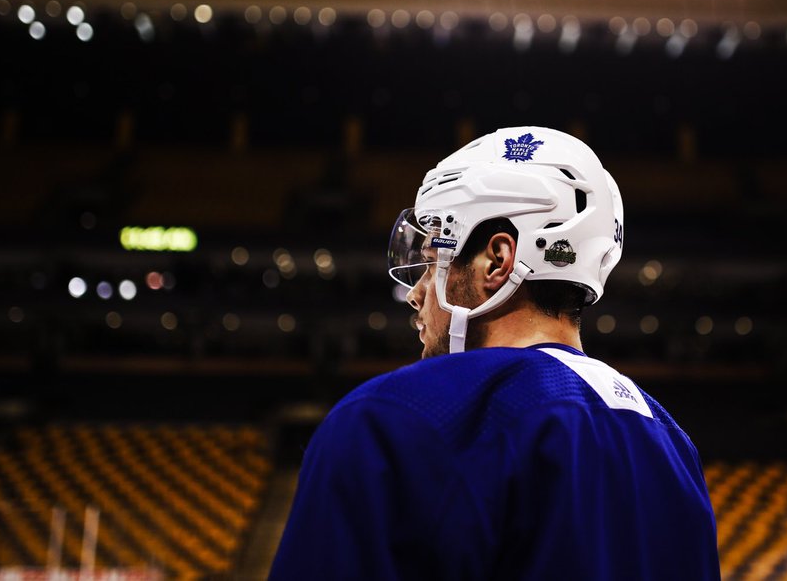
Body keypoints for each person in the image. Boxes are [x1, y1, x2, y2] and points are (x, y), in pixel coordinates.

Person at [269, 126, 720, 580]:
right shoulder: (671, 442)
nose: (416, 293)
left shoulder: (389, 418)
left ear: (497, 261)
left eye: (430, 261)